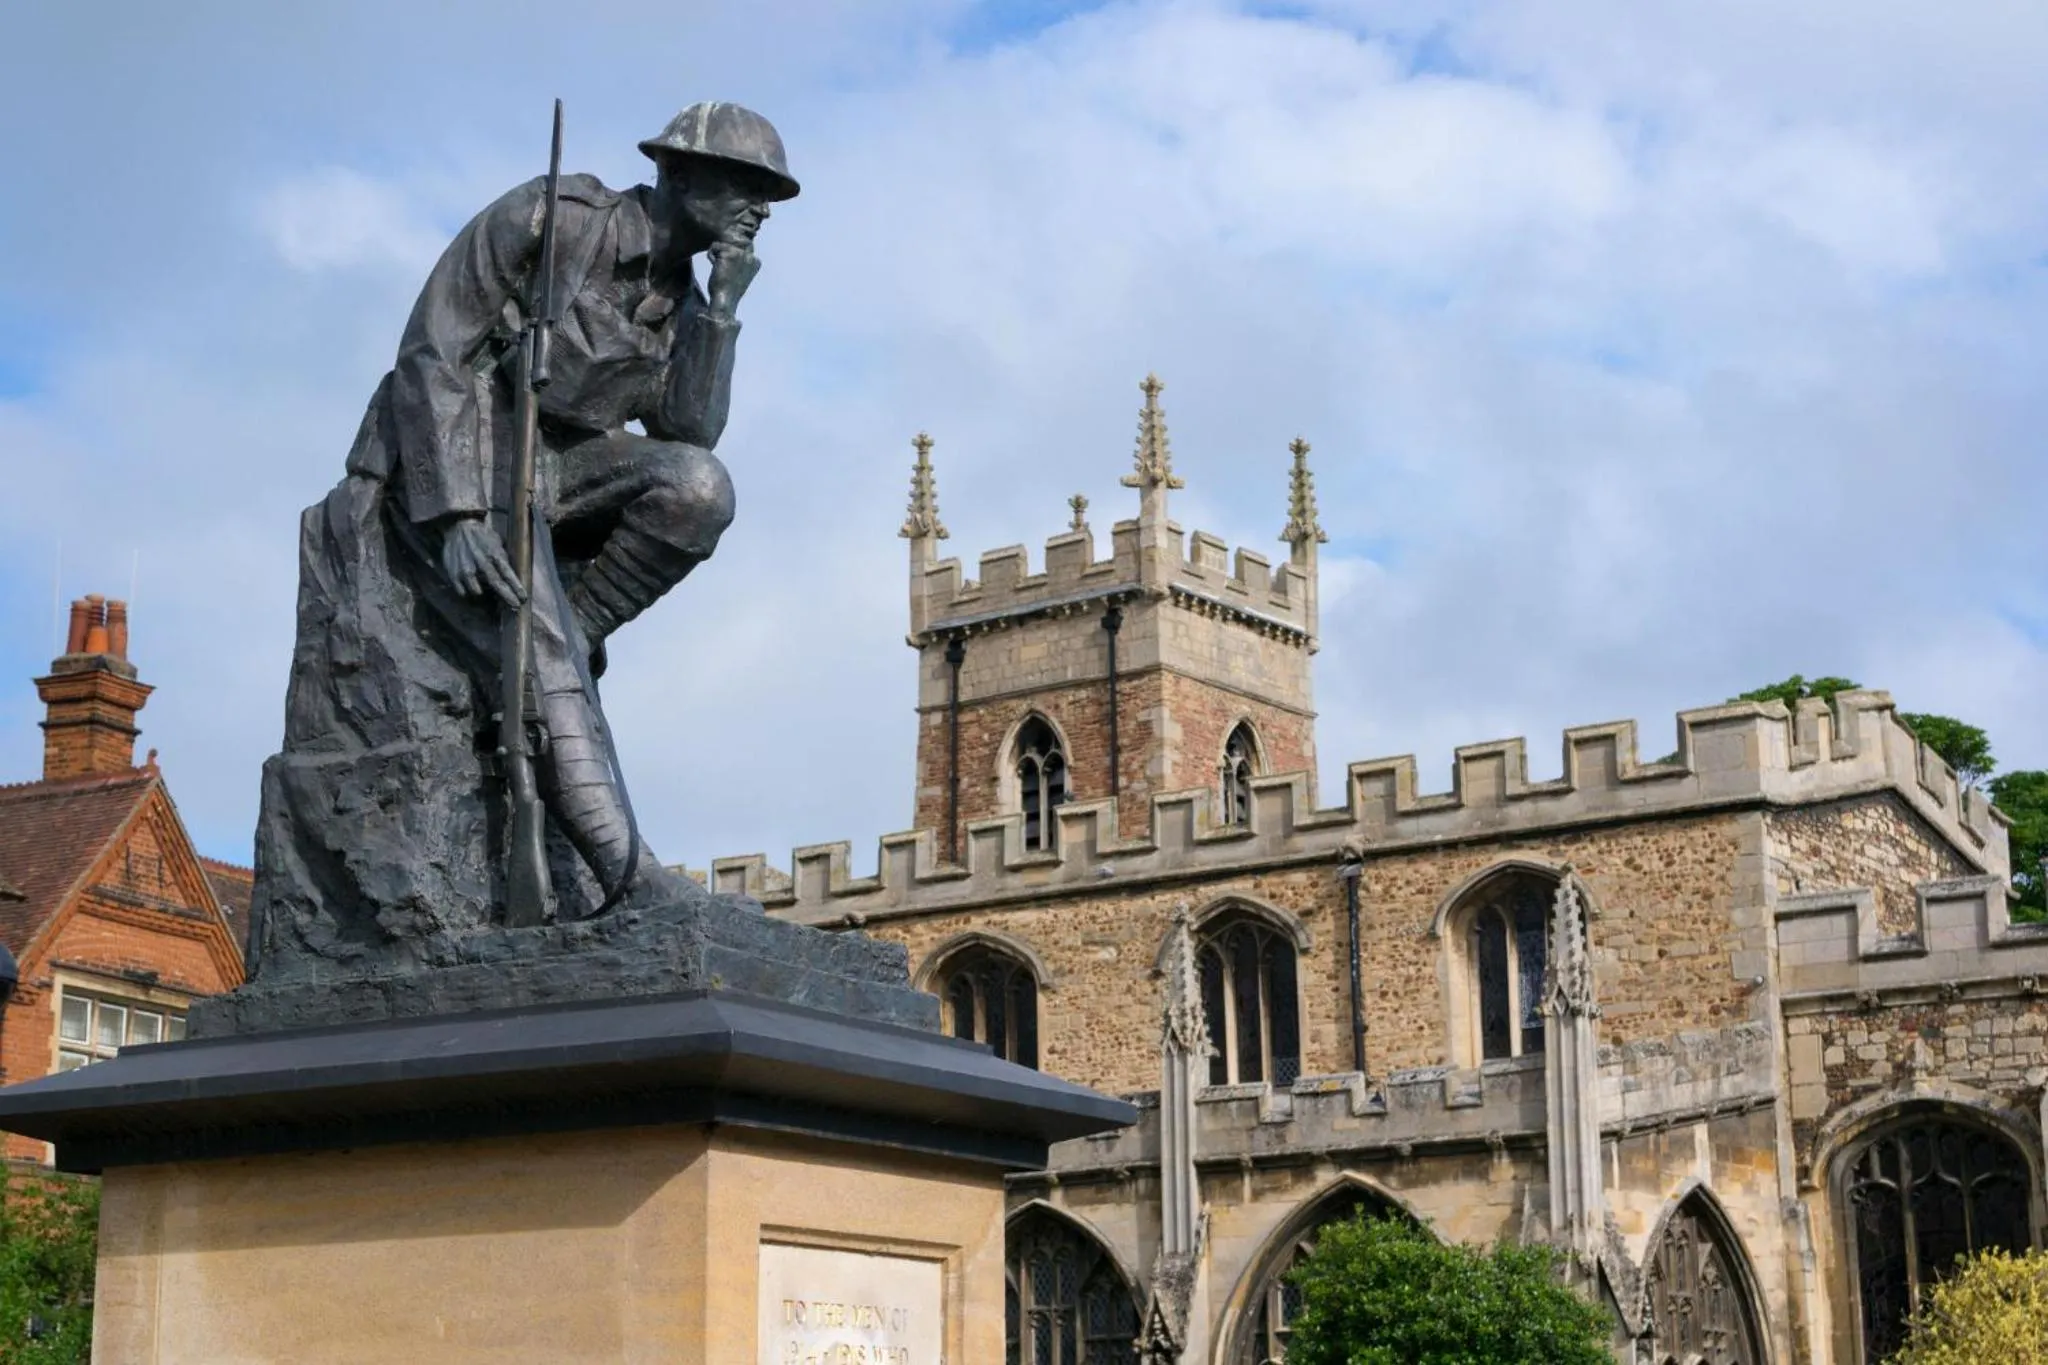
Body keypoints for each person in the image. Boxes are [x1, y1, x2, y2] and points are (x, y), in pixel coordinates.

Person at [248, 104, 797, 968]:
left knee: (700, 489)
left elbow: (689, 430)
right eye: (746, 186)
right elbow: (431, 352)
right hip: (455, 463)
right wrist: (456, 515)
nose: (759, 209)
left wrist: (722, 311)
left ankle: (574, 636)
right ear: (681, 174)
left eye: (769, 195)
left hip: (558, 473)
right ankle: (624, 871)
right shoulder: (553, 218)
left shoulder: (686, 298)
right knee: (535, 628)